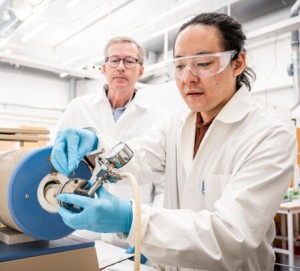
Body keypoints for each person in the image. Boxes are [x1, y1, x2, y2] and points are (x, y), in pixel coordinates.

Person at [51, 12, 296, 271]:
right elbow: (138, 157)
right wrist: (95, 142)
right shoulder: (178, 122)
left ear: (237, 63)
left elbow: (230, 238)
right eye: (179, 65)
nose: (188, 78)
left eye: (203, 63)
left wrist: (131, 220)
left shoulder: (269, 135)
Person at [52, 36, 166, 249]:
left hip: (131, 233)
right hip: (80, 230)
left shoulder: (158, 117)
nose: (121, 67)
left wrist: (150, 237)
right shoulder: (77, 108)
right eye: (114, 60)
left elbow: (164, 186)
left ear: (140, 71)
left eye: (129, 61)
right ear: (104, 68)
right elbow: (55, 161)